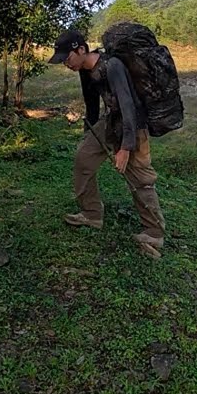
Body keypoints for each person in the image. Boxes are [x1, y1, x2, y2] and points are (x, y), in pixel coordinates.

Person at [48, 29, 166, 259]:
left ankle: (154, 232)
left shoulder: (112, 66)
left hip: (133, 125)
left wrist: (125, 148)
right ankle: (92, 214)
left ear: (81, 50)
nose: (66, 64)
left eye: (67, 58)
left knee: (140, 178)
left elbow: (128, 106)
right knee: (83, 159)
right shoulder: (84, 71)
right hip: (111, 121)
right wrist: (89, 135)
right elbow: (91, 105)